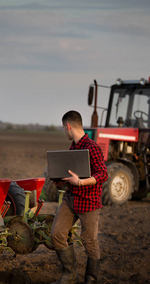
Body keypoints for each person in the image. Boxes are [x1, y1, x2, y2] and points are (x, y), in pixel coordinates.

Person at [51, 110, 108, 284]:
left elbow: (103, 174)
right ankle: (70, 275)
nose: (64, 131)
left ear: (68, 126)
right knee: (57, 234)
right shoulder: (74, 147)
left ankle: (91, 279)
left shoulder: (92, 147)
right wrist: (59, 178)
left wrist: (80, 182)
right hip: (71, 199)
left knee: (89, 241)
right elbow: (71, 176)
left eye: (63, 128)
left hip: (89, 202)